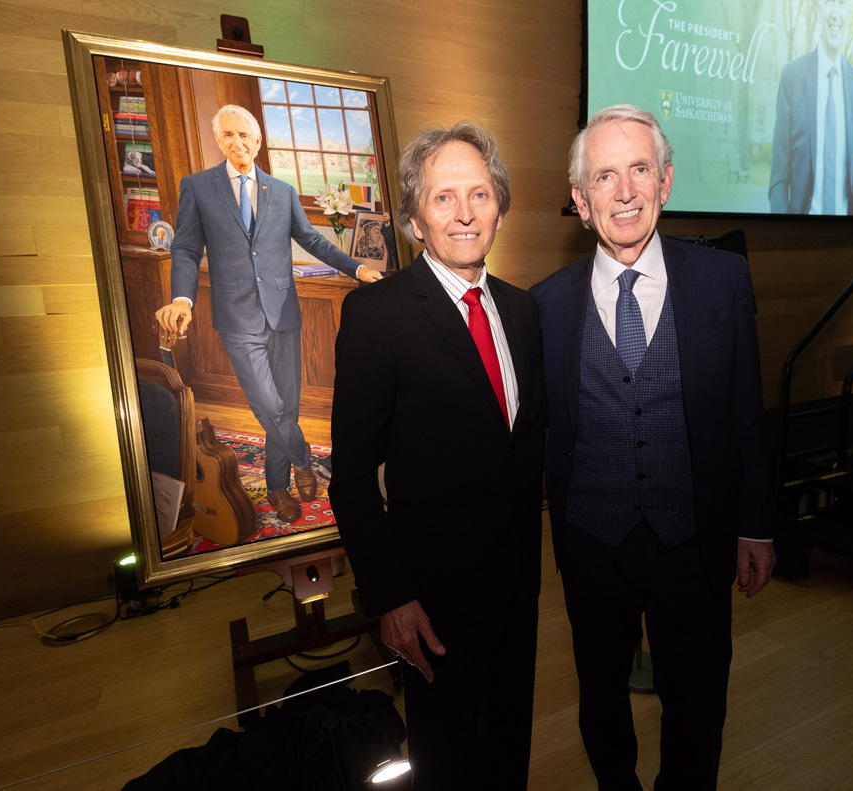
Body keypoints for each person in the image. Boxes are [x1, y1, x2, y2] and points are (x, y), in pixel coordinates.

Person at [531, 105, 776, 790]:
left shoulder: (723, 282)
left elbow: (745, 411)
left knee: (698, 698)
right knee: (601, 697)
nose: (626, 191)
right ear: (580, 201)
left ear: (666, 181)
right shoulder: (544, 307)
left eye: (640, 169)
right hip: (591, 542)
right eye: (605, 176)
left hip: (693, 538)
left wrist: (755, 523)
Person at [329, 121, 546, 790]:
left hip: (520, 588)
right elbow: (352, 477)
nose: (463, 212)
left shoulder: (523, 310)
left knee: (509, 746)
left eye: (479, 194)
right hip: (434, 605)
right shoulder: (377, 315)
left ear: (500, 208)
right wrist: (391, 597)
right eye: (443, 196)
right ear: (415, 220)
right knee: (446, 760)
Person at [156, 105, 382, 523]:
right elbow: (185, 248)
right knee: (267, 404)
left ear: (258, 141)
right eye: (227, 135)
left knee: (287, 405)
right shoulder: (199, 187)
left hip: (283, 314)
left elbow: (312, 240)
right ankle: (303, 458)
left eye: (245, 135)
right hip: (236, 317)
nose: (237, 143)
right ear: (218, 140)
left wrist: (356, 267)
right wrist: (182, 299)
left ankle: (277, 486)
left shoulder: (282, 191)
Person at [770, 0, 853, 215]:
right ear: (819, 10)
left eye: (842, 3)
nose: (835, 13)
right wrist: (784, 229)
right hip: (798, 233)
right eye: (829, 2)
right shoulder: (792, 75)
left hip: (847, 234)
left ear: (849, 11)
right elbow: (779, 174)